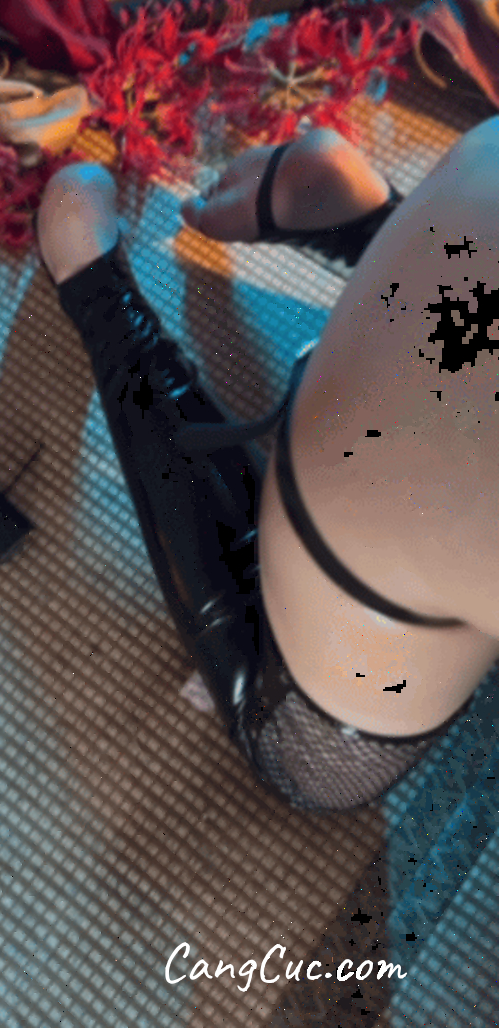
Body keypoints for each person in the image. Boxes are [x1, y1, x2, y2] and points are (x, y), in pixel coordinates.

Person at [35, 121, 499, 812]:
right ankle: (101, 299)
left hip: (478, 182)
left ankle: (380, 230)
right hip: (393, 472)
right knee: (310, 765)